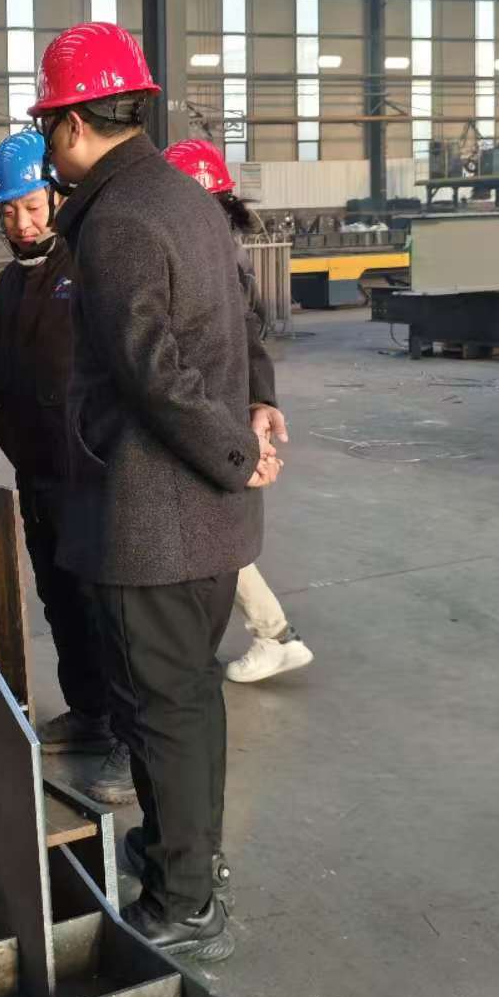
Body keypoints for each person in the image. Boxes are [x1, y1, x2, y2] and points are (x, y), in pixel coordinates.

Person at [30, 21, 282, 963]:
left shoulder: (118, 220)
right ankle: (187, 855)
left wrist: (234, 450)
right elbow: (240, 319)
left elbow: (153, 372)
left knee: (160, 708)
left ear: (69, 125)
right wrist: (255, 413)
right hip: (206, 521)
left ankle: (186, 901)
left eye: (48, 128)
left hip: (155, 520)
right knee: (185, 699)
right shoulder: (183, 194)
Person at [0, 130, 133, 806]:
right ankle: (90, 711)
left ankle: (131, 736)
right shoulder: (11, 284)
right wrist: (10, 426)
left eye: (32, 206)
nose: (22, 222)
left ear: (58, 198)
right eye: (9, 210)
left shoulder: (89, 268)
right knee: (61, 599)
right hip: (38, 475)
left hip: (90, 476)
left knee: (108, 607)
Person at [163, 138, 313, 685]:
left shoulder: (213, 261)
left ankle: (274, 635)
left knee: (211, 535)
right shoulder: (222, 253)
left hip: (207, 413)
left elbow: (242, 340)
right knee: (214, 533)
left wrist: (256, 407)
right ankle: (275, 634)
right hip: (216, 411)